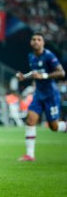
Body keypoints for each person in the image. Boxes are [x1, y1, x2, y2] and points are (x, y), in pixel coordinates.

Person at [16, 32, 66, 162]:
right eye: (34, 39)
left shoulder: (49, 56)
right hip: (38, 95)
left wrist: (44, 76)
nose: (36, 41)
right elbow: (35, 72)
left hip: (51, 95)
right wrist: (24, 76)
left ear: (43, 42)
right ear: (31, 42)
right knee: (30, 120)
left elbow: (61, 72)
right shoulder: (31, 56)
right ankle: (30, 155)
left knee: (53, 127)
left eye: (39, 39)